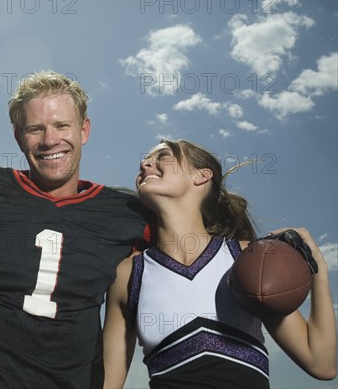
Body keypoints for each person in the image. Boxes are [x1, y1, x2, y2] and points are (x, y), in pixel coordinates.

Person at [0, 71, 149, 388]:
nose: (50, 141)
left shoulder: (129, 211)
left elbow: (199, 242)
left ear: (84, 130)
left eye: (62, 125)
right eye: (35, 129)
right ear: (19, 137)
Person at [102, 140, 337, 388]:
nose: (144, 163)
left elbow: (320, 363)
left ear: (201, 177)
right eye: (147, 159)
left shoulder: (248, 259)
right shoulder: (128, 275)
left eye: (163, 155)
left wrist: (316, 268)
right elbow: (108, 383)